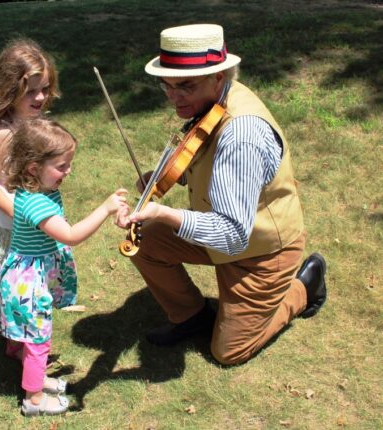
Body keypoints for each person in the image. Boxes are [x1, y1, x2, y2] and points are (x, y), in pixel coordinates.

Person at [117, 24, 327, 365]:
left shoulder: (240, 135)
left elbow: (232, 235)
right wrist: (163, 177)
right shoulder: (215, 99)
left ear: (218, 76)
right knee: (144, 240)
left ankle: (304, 286)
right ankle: (191, 315)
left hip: (260, 251)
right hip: (222, 232)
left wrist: (164, 213)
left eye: (185, 86)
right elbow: (201, 155)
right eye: (166, 86)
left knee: (228, 352)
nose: (174, 97)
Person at [0, 118, 128, 416]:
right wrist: (105, 209)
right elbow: (71, 235)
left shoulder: (41, 191)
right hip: (26, 281)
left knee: (29, 332)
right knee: (40, 339)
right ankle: (33, 398)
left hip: (26, 272)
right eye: (62, 166)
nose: (68, 171)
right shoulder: (35, 204)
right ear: (33, 168)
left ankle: (18, 353)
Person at [0, 39, 61, 322]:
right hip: (10, 225)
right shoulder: (1, 134)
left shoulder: (37, 123)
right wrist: (19, 213)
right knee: (12, 285)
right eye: (31, 91)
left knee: (30, 284)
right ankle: (20, 338)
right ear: (10, 90)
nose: (41, 97)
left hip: (35, 218)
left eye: (45, 89)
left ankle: (19, 333)